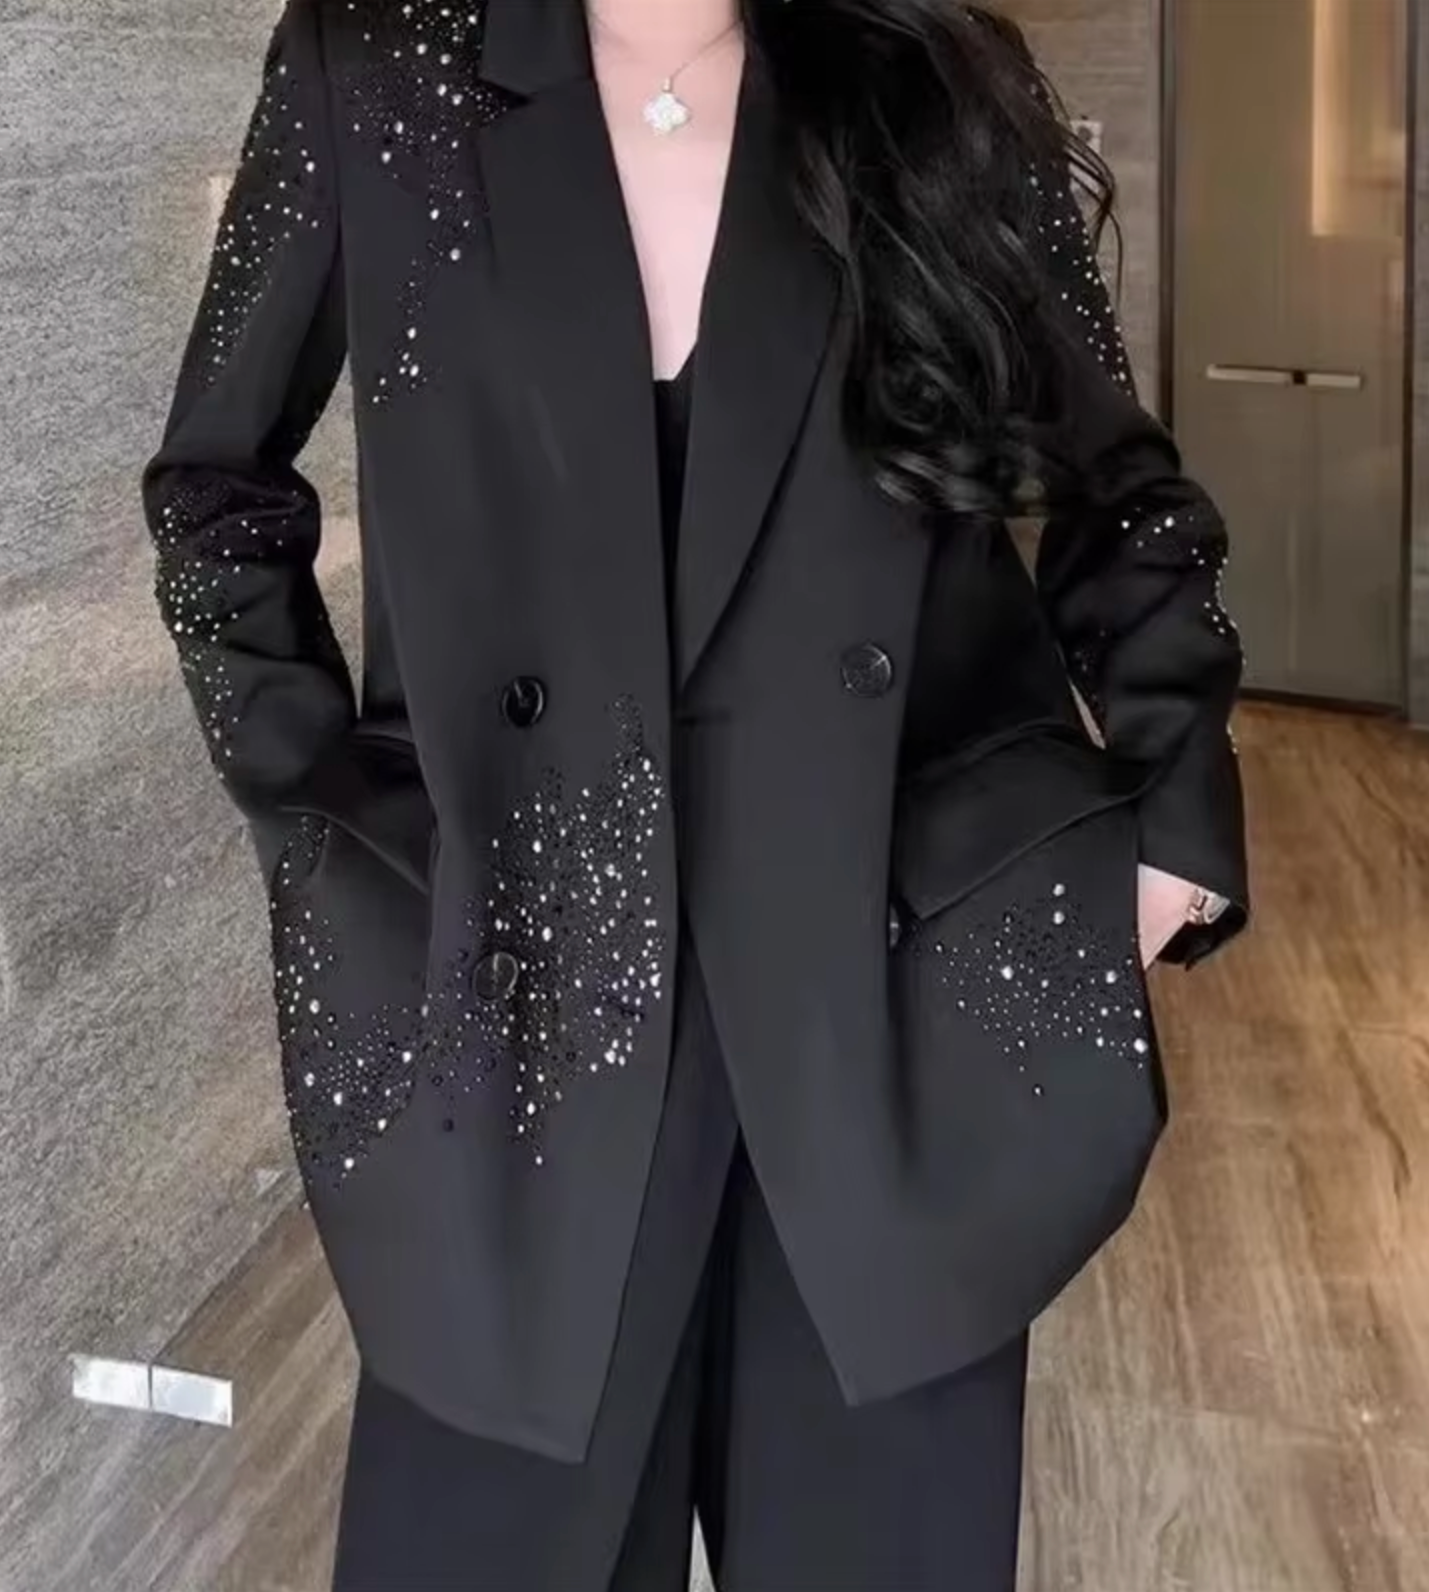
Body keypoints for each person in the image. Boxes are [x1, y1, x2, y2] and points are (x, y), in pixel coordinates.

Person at [141, 0, 1248, 1585]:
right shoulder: (374, 65)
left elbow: (1120, 488)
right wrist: (325, 823)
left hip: (891, 997)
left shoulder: (934, 75)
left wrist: (1172, 830)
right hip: (521, 1015)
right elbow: (215, 490)